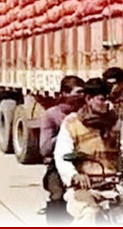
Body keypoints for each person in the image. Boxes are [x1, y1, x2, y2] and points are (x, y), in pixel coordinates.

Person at [54, 78, 123, 224]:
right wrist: (74, 175)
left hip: (112, 188)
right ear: (89, 99)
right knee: (90, 214)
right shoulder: (71, 123)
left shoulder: (116, 123)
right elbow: (61, 155)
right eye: (102, 99)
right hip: (83, 190)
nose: (107, 103)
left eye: (108, 99)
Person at [40, 76, 85, 223]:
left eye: (83, 93)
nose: (81, 96)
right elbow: (45, 148)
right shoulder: (52, 115)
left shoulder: (86, 114)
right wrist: (66, 134)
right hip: (57, 165)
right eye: (77, 92)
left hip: (84, 163)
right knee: (58, 197)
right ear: (65, 94)